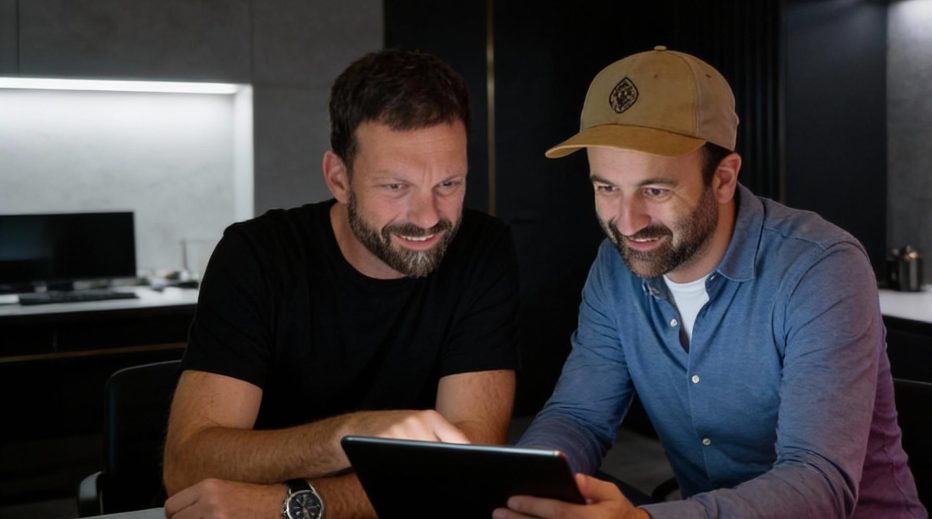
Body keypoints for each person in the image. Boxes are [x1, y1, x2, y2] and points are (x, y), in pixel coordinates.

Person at [495, 46, 925, 519]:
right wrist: (522, 493)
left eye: (655, 190)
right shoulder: (615, 267)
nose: (627, 221)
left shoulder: (820, 269)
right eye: (606, 188)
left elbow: (818, 483)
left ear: (723, 179)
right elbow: (578, 416)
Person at [162, 49, 520, 519]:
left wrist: (297, 504)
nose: (429, 217)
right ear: (339, 178)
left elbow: (468, 464)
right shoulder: (256, 255)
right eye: (396, 187)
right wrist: (346, 436)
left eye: (449, 185)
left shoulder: (482, 250)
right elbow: (186, 466)